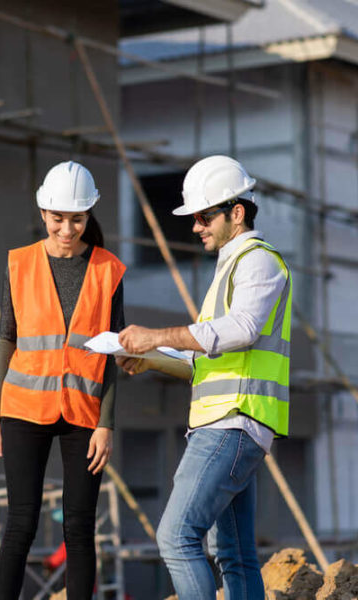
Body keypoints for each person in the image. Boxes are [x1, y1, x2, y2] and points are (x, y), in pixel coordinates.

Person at [117, 155, 292, 600]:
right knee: (233, 553)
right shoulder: (230, 269)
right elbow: (208, 360)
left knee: (176, 537)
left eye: (203, 216)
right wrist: (153, 358)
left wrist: (155, 334)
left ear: (237, 212)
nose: (195, 227)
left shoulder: (257, 262)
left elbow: (240, 330)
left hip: (232, 424)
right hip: (229, 422)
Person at [0, 161, 126, 600]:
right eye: (58, 218)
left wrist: (107, 423)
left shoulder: (108, 269)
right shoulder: (19, 264)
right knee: (20, 522)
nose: (67, 228)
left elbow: (113, 352)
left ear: (89, 215)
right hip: (22, 410)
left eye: (77, 219)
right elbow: (7, 340)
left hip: (83, 414)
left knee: (80, 526)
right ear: (43, 213)